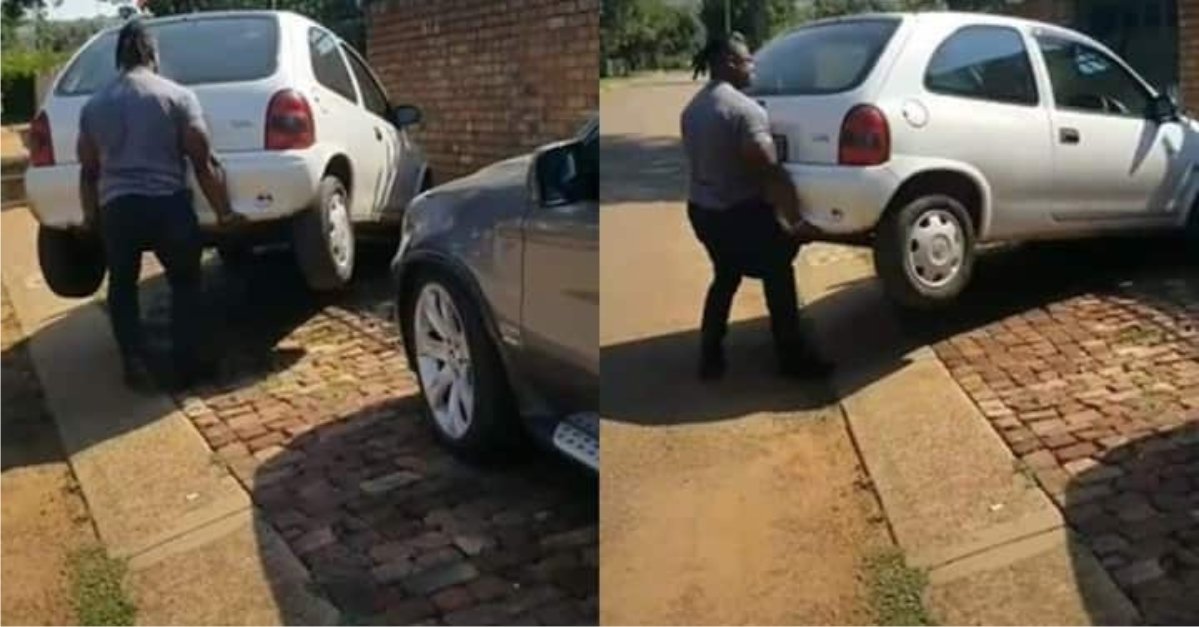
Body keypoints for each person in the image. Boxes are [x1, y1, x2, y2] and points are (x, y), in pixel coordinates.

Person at [77, 19, 246, 390]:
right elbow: (202, 161)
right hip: (167, 204)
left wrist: (91, 216)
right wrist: (224, 212)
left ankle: (133, 361)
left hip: (117, 208)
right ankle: (187, 364)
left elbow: (88, 171)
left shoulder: (94, 106)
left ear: (118, 58)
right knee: (185, 281)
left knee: (121, 283)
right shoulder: (177, 97)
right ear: (153, 54)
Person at [680, 32, 831, 381]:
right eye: (748, 60)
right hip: (739, 214)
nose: (753, 66)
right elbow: (767, 167)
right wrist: (795, 221)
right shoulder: (745, 111)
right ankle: (793, 360)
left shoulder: (693, 108)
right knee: (778, 272)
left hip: (703, 212)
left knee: (725, 276)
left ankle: (710, 355)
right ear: (731, 63)